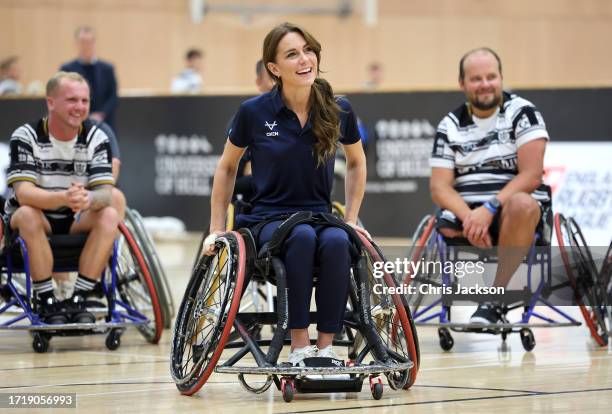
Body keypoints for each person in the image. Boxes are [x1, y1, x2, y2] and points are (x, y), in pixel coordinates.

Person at [204, 22, 368, 365]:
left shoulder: (339, 109)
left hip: (319, 213)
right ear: (274, 68)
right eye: (292, 54)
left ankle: (325, 348)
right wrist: (217, 228)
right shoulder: (254, 112)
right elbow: (226, 168)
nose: (304, 59)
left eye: (308, 50)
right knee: (302, 236)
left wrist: (351, 218)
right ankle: (298, 346)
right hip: (268, 218)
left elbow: (356, 162)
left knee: (339, 241)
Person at [429, 47, 550, 324]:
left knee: (522, 203)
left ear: (501, 78)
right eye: (476, 78)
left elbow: (531, 175)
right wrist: (470, 216)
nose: (485, 84)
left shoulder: (523, 113)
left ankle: (495, 297)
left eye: (491, 77)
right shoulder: (449, 125)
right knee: (443, 223)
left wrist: (490, 208)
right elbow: (439, 187)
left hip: (512, 211)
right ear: (462, 84)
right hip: (468, 216)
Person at [5, 71, 119, 324]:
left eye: (84, 101)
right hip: (35, 219)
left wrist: (88, 200)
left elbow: (105, 193)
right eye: (71, 100)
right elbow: (23, 194)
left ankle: (79, 297)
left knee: (110, 213)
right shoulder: (25, 136)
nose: (79, 107)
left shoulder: (97, 137)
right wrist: (64, 198)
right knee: (26, 214)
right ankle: (46, 300)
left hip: (75, 217)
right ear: (51, 103)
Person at [60, 26, 119, 132]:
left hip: (104, 124)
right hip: (75, 125)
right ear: (76, 44)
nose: (86, 46)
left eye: (89, 42)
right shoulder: (66, 69)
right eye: (82, 41)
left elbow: (113, 96)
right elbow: (63, 97)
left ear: (94, 43)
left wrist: (101, 114)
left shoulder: (107, 68)